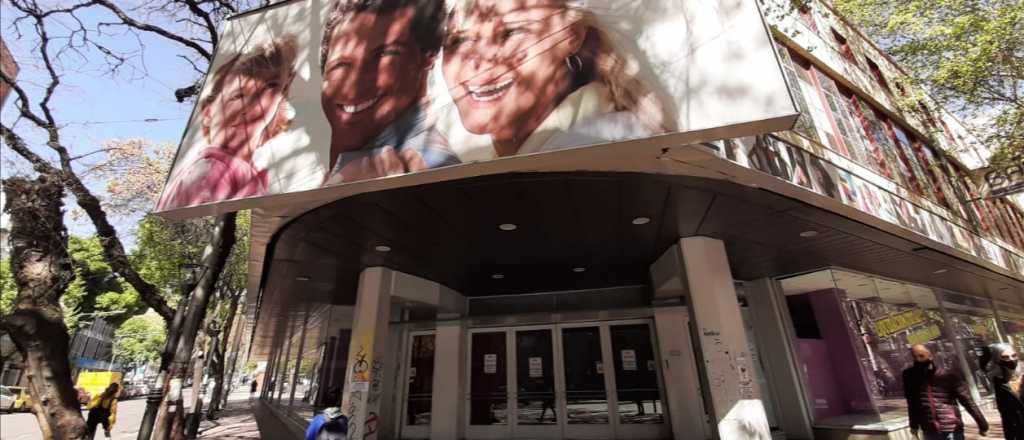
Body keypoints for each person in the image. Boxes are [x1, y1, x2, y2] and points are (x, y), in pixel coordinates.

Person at [441, 0, 668, 158]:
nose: (478, 61)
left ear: (572, 35)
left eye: (511, 33)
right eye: (459, 40)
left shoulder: (601, 147)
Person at [319, 0, 460, 185]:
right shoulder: (351, 168)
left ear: (428, 57)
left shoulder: (429, 168)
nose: (354, 84)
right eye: (341, 64)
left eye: (383, 55)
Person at [158, 35, 298, 210]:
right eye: (238, 96)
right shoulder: (212, 172)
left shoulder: (245, 172)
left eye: (268, 89)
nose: (251, 107)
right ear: (208, 112)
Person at [903, 344, 988, 440]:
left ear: (930, 355)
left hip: (951, 428)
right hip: (929, 430)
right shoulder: (909, 376)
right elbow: (912, 403)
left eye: (921, 356)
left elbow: (966, 400)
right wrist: (913, 426)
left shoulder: (948, 375)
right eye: (915, 357)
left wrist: (982, 424)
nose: (918, 360)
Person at [986, 343, 1024, 439]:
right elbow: (1006, 417)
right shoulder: (998, 383)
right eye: (1005, 357)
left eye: (1014, 355)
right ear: (997, 359)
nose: (1011, 359)